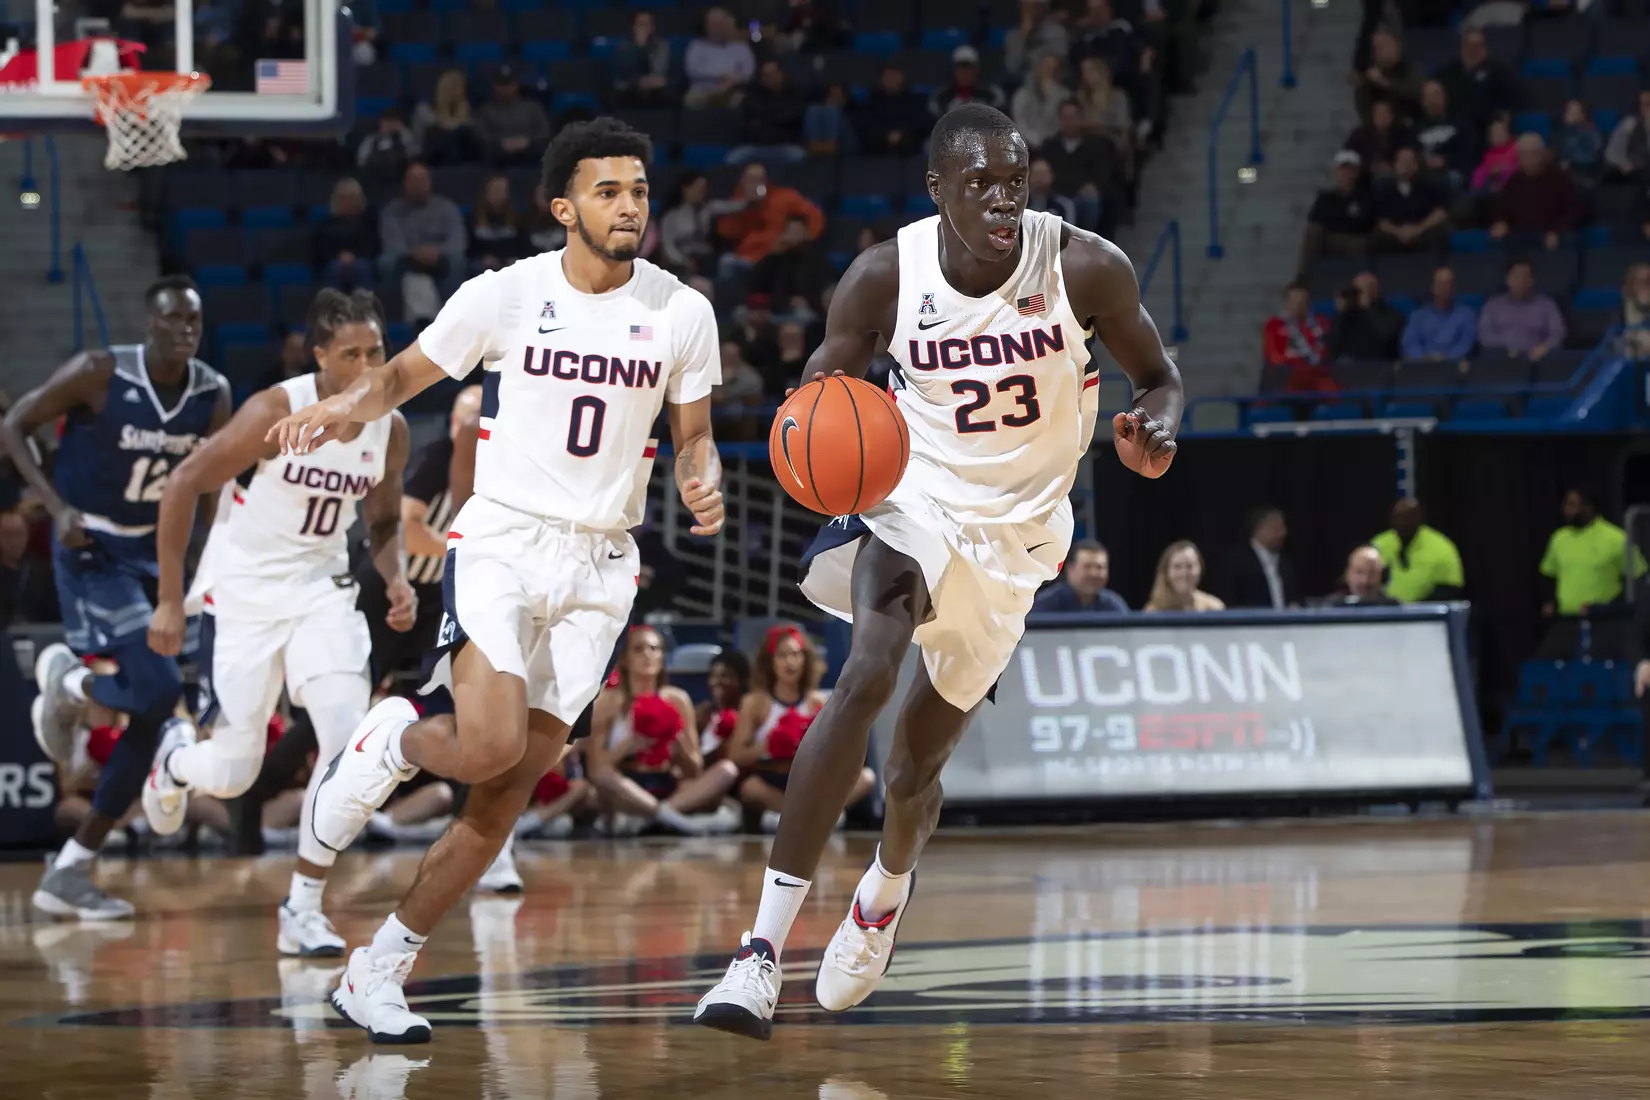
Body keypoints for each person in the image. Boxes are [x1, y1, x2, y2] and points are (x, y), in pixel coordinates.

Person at [692, 103, 1183, 1039]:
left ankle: (882, 892)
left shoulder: (1084, 265)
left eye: (1016, 180)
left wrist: (1156, 430)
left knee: (918, 765)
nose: (1004, 198)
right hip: (915, 497)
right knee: (867, 671)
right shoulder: (883, 278)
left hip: (1022, 534)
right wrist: (816, 442)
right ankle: (758, 954)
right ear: (938, 190)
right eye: (981, 183)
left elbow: (1159, 378)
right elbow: (817, 401)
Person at [263, 118, 726, 1045]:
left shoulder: (683, 310)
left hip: (602, 564)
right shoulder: (508, 295)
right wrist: (339, 409)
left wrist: (700, 472)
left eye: (638, 188)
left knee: (507, 791)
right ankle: (395, 737)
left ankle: (379, 970)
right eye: (608, 191)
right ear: (564, 208)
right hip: (506, 541)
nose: (630, 204)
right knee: (483, 746)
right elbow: (399, 376)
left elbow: (694, 434)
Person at [139, 289, 413, 957]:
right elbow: (183, 485)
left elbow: (380, 520)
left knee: (349, 746)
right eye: (351, 353)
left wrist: (398, 574)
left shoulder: (390, 426)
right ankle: (174, 762)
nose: (368, 363)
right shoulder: (274, 410)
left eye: (376, 350)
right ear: (319, 357)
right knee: (234, 772)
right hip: (245, 595)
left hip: (323, 590)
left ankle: (303, 906)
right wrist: (171, 599)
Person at [1, 275, 231, 919]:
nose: (186, 330)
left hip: (157, 553)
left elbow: (209, 494)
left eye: (195, 321)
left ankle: (71, 868)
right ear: (149, 323)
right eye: (174, 319)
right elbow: (15, 425)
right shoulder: (100, 371)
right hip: (92, 549)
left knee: (158, 708)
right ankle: (70, 684)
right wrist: (54, 507)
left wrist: (207, 569)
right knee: (158, 690)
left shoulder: (212, 393)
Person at [585, 626, 741, 835]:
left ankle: (653, 819)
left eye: (654, 649)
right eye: (639, 649)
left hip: (669, 784)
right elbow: (595, 768)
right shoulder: (607, 701)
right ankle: (673, 821)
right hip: (626, 786)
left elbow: (695, 769)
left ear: (662, 657)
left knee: (727, 771)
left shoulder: (677, 699)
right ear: (624, 659)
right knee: (600, 781)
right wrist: (628, 746)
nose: (648, 655)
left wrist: (678, 747)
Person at [723, 625, 875, 833]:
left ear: (806, 660)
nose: (790, 661)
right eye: (782, 655)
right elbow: (735, 756)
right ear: (771, 662)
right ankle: (816, 818)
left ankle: (797, 818)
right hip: (773, 780)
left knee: (866, 778)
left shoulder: (817, 701)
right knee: (750, 789)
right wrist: (768, 745)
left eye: (796, 654)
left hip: (812, 781)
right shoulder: (755, 702)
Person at [1539, 486, 1647, 618]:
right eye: (1565, 505)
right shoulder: (1559, 538)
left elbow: (1638, 576)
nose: (1567, 510)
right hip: (1566, 620)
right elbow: (1548, 574)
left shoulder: (1616, 538)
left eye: (1572, 505)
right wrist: (1549, 603)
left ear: (1588, 506)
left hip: (1604, 620)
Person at [378, 162, 467, 314]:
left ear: (430, 183)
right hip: (407, 258)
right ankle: (392, 314)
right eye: (413, 181)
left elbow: (457, 240)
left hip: (441, 257)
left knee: (458, 259)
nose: (418, 185)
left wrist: (437, 251)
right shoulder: (392, 210)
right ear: (405, 184)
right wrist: (415, 252)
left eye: (422, 180)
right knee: (387, 261)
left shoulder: (447, 207)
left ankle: (456, 312)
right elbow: (392, 241)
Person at [1490, 134, 1583, 250]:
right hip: (1520, 234)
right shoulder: (1514, 181)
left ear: (1541, 154)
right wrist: (1501, 223)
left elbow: (1574, 211)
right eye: (1523, 155)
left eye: (1532, 153)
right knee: (1497, 239)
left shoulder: (1560, 178)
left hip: (1551, 233)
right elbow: (1502, 209)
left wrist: (1556, 231)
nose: (1527, 158)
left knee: (1567, 239)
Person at [1371, 497, 1463, 602]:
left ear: (1420, 518)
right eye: (1398, 517)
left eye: (1409, 517)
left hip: (1427, 613)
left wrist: (1417, 607)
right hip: (1384, 612)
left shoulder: (1442, 547)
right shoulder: (1377, 545)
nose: (1403, 522)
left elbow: (1451, 588)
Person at [1300, 150, 1375, 267]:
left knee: (1358, 244)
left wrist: (1336, 219)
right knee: (1313, 232)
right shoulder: (1326, 197)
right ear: (1336, 172)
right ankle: (1304, 276)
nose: (1346, 174)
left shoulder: (1365, 197)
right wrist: (1345, 218)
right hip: (1331, 239)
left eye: (1350, 170)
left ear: (1357, 172)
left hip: (1354, 239)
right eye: (1343, 170)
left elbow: (1364, 223)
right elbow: (1315, 219)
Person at [1479, 258, 1565, 359]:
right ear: (1507, 279)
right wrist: (1504, 349)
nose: (1520, 280)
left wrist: (1546, 346)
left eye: (1525, 276)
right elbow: (1484, 334)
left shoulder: (1546, 305)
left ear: (1532, 280)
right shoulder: (1493, 305)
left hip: (1535, 361)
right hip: (1500, 361)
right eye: (1516, 276)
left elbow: (1558, 333)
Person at [1370, 146, 1448, 254]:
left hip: (1422, 231)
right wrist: (1399, 232)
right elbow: (1382, 221)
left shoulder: (1428, 186)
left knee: (1438, 235)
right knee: (1377, 237)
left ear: (1415, 165)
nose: (1403, 165)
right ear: (1395, 164)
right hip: (1396, 233)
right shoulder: (1386, 190)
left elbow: (1440, 212)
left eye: (1407, 161)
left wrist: (1418, 229)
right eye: (1400, 161)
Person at [1220, 506, 1298, 610]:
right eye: (1276, 528)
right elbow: (1230, 599)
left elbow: (1293, 597)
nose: (1283, 533)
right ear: (1260, 529)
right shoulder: (1236, 561)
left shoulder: (1285, 563)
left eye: (1283, 528)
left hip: (1285, 623)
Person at [475, 66, 551, 169]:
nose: (505, 88)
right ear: (494, 86)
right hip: (498, 157)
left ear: (516, 84)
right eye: (501, 84)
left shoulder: (532, 107)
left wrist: (527, 141)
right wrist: (502, 143)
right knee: (486, 151)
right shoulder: (485, 110)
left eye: (509, 84)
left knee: (541, 149)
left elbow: (544, 131)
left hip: (529, 153)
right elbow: (481, 136)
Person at [1262, 280, 1332, 391]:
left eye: (1303, 302)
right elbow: (1275, 358)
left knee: (1332, 390)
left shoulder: (1321, 323)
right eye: (1295, 301)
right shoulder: (1274, 325)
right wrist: (1300, 364)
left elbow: (1324, 354)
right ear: (1287, 302)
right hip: (1286, 379)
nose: (1299, 306)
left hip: (1316, 378)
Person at [312, 177, 379, 291]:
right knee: (335, 268)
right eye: (343, 198)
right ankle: (334, 307)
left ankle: (364, 307)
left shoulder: (369, 223)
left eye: (352, 198)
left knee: (362, 267)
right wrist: (339, 256)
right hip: (333, 261)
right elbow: (319, 250)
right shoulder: (325, 225)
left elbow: (373, 247)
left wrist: (354, 256)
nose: (348, 202)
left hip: (361, 260)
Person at [684, 7, 755, 109]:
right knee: (692, 99)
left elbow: (749, 73)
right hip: (703, 90)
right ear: (706, 27)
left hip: (733, 90)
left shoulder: (741, 47)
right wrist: (721, 76)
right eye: (714, 25)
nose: (718, 28)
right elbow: (692, 70)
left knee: (743, 100)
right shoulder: (696, 46)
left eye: (721, 24)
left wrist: (733, 80)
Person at [1031, 538, 1128, 612]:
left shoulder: (1113, 605)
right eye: (1087, 566)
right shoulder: (1045, 604)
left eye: (1099, 567)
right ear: (1070, 569)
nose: (1093, 574)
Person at [1401, 266, 1477, 361]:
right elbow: (1410, 343)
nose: (1445, 289)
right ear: (1433, 288)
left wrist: (1445, 359)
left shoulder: (1466, 314)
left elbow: (1466, 344)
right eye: (1441, 285)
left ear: (1454, 288)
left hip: (1454, 366)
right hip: (1422, 365)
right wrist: (1423, 358)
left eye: (1449, 285)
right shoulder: (1418, 316)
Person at [856, 63, 933, 156]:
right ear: (881, 79)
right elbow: (867, 124)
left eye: (894, 75)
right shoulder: (872, 101)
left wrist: (902, 134)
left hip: (910, 147)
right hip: (878, 149)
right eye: (887, 76)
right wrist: (887, 136)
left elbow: (925, 122)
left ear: (901, 77)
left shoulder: (915, 100)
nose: (891, 79)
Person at [410, 69, 479, 167]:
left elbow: (471, 127)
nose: (461, 92)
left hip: (460, 160)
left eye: (462, 88)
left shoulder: (465, 107)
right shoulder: (424, 110)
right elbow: (419, 140)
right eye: (456, 88)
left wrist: (455, 126)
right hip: (430, 157)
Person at [1330, 271, 1404, 362]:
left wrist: (1368, 307)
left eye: (1364, 290)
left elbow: (1385, 338)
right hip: (1349, 366)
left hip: (1379, 365)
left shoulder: (1389, 313)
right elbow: (1332, 345)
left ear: (1375, 290)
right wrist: (1341, 312)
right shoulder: (1348, 314)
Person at [613, 10, 676, 109]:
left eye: (647, 24)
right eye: (640, 24)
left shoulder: (662, 46)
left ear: (653, 28)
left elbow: (666, 71)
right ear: (633, 28)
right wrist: (640, 46)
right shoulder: (624, 48)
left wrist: (660, 81)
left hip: (657, 89)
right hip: (631, 88)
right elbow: (624, 75)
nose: (644, 28)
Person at [698, 650, 751, 762]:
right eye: (713, 676)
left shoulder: (749, 716)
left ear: (742, 681)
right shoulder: (703, 713)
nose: (717, 682)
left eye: (725, 676)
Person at [1011, 52, 1071, 151]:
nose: (1049, 71)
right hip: (1028, 146)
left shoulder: (1065, 96)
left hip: (1057, 147)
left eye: (1053, 67)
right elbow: (1020, 123)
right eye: (1046, 66)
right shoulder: (1022, 95)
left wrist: (1052, 95)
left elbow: (1062, 123)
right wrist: (1036, 142)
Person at [1144, 540, 1224, 611]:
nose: (1184, 573)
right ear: (1166, 572)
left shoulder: (1213, 607)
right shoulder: (1154, 611)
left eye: (1189, 566)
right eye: (1177, 566)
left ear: (1200, 569)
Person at [930, 45, 1007, 117]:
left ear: (977, 70)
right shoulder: (941, 97)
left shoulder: (993, 95)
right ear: (954, 71)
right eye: (961, 68)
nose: (965, 73)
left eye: (969, 68)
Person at [1317, 544, 1398, 606]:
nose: (1365, 581)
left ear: (1382, 576)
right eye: (1359, 572)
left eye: (1372, 573)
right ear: (1347, 574)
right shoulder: (1330, 606)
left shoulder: (1394, 607)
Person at [1604, 89, 1650, 181]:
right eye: (1644, 104)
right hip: (1632, 171)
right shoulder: (1628, 124)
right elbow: (1611, 152)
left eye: (1649, 104)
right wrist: (1623, 163)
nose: (1647, 108)